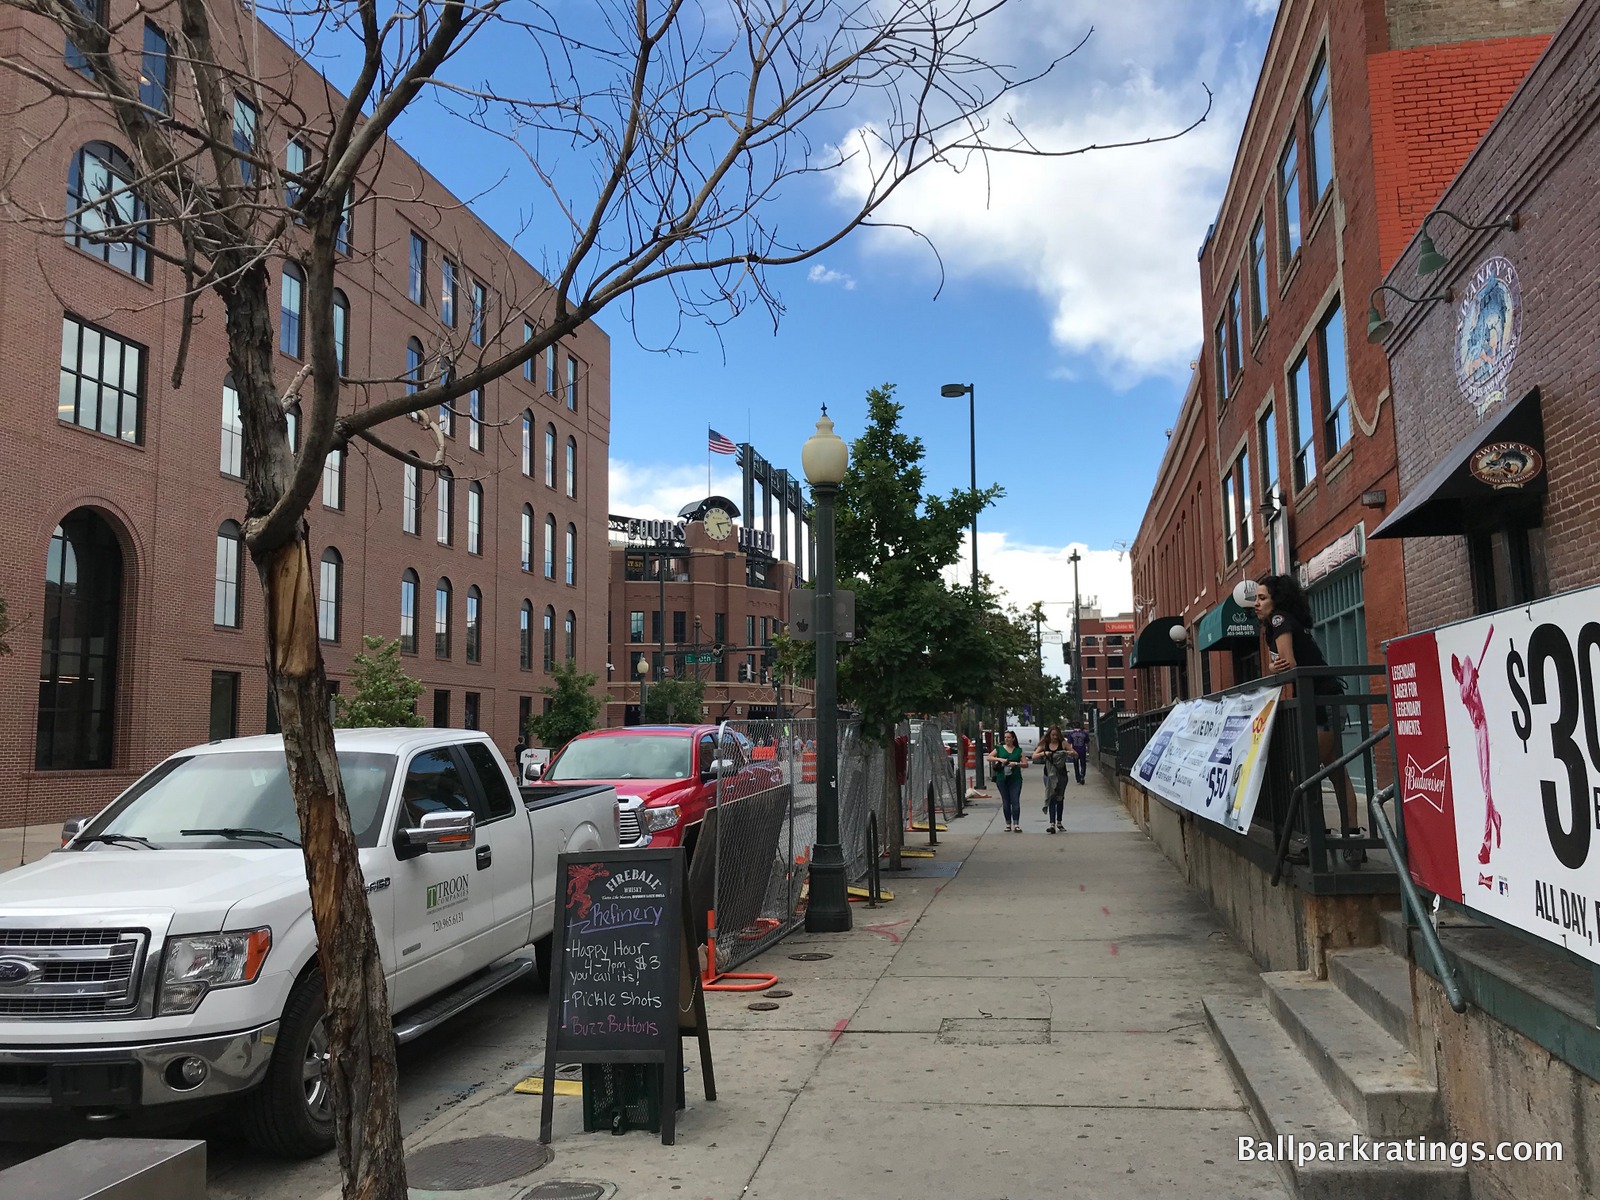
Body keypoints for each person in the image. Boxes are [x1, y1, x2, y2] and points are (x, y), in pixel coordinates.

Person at [1256, 574, 1364, 866]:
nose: (1256, 604)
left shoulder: (1279, 621)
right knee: (1335, 773)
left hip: (1320, 707)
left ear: (1276, 601)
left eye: (1262, 598)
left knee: (1302, 776)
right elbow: (1284, 663)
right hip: (1327, 702)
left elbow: (1289, 666)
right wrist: (1272, 664)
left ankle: (1315, 843)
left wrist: (1275, 666)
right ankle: (1353, 842)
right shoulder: (1279, 624)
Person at [1452, 625, 1500, 864]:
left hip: (1483, 726)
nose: (1458, 670)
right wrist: (1469, 682)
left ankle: (1487, 842)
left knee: (1487, 786)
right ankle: (1495, 818)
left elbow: (1470, 662)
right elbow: (1465, 692)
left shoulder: (1467, 671)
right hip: (1475, 731)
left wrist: (1471, 677)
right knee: (1483, 787)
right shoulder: (1462, 688)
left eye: (1457, 667)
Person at [1031, 727, 1073, 833]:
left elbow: (1074, 752)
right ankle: (1052, 823)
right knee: (1051, 796)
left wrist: (1069, 753)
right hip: (1048, 775)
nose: (1054, 737)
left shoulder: (1063, 743)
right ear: (1049, 735)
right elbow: (1034, 756)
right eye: (1052, 735)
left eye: (1056, 735)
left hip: (1061, 775)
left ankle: (1059, 821)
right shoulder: (1044, 744)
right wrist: (1044, 753)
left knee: (1060, 798)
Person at [988, 730, 1027, 831]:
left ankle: (1016, 824)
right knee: (1006, 801)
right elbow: (989, 757)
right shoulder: (1000, 749)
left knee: (1015, 800)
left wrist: (1016, 764)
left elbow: (1025, 764)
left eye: (1009, 737)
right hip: (1002, 778)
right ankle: (1008, 823)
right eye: (1005, 737)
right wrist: (1000, 760)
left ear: (1013, 739)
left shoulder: (1018, 750)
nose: (1007, 739)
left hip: (1015, 778)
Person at [1066, 718, 1091, 785]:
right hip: (1082, 750)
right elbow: (1087, 741)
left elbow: (1069, 743)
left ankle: (1078, 778)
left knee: (1076, 765)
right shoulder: (1084, 733)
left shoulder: (1071, 734)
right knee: (1083, 764)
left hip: (1075, 750)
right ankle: (1082, 775)